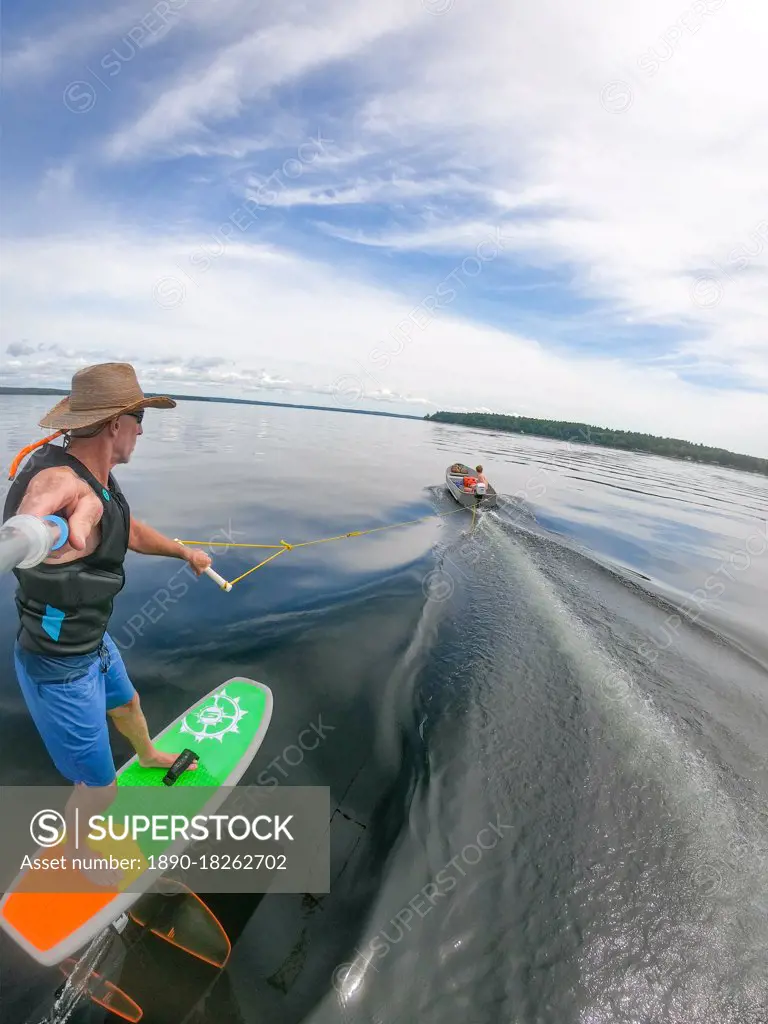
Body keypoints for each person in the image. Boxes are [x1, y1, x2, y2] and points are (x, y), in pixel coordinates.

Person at [3, 362, 212, 874]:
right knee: (100, 789)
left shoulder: (97, 478)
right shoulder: (61, 481)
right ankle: (74, 854)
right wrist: (36, 528)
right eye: (138, 416)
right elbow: (56, 504)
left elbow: (127, 527)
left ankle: (145, 754)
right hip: (59, 664)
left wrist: (183, 552)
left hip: (93, 642)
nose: (142, 427)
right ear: (116, 423)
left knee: (128, 705)